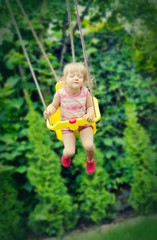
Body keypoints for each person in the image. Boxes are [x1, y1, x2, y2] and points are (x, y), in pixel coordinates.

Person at [43, 62, 96, 174]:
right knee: (70, 151)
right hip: (66, 125)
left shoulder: (85, 92)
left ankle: (90, 160)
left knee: (89, 146)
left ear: (84, 80)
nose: (76, 78)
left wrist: (90, 115)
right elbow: (53, 106)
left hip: (83, 122)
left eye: (79, 76)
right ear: (65, 80)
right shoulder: (60, 94)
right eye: (72, 76)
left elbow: (91, 106)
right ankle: (66, 155)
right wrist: (49, 112)